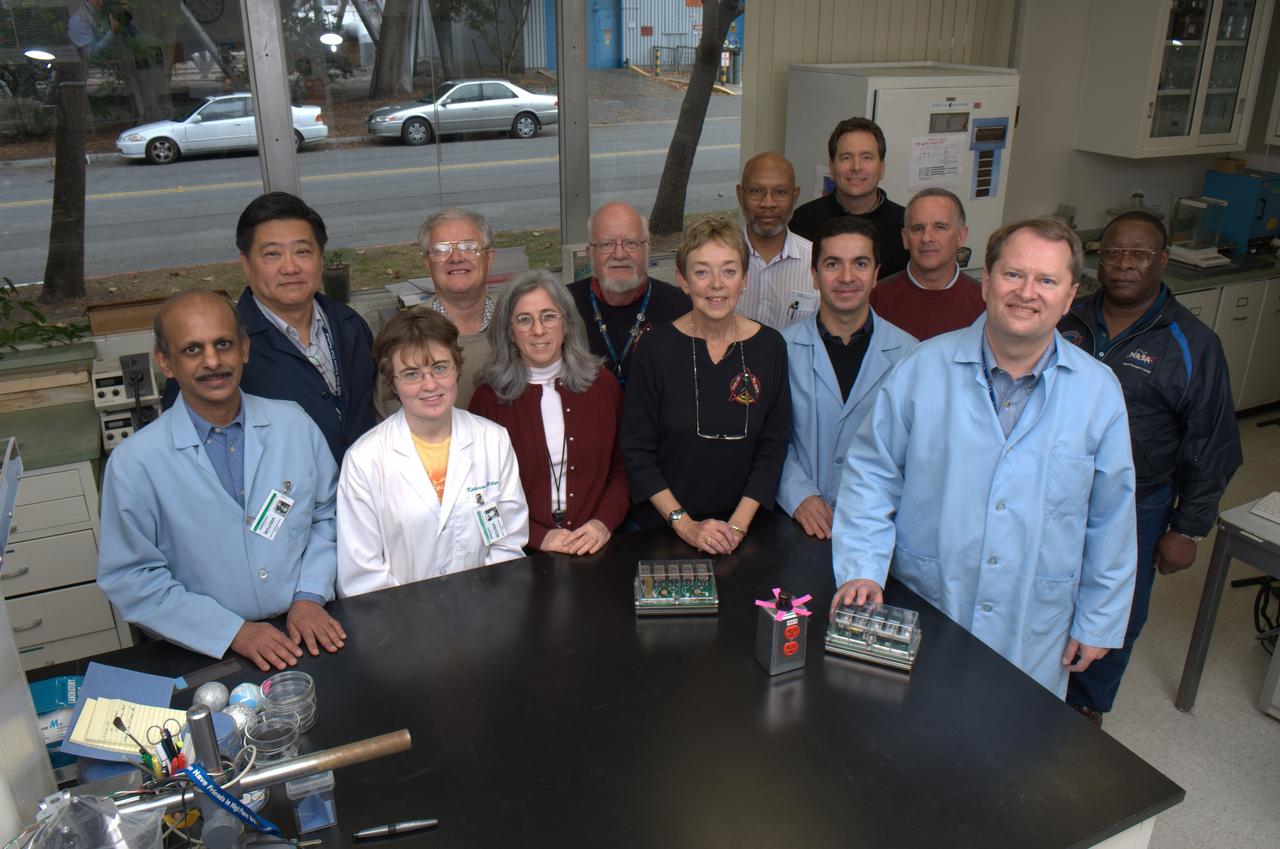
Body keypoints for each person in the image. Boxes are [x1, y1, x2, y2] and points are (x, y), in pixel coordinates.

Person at [830, 218, 1138, 698]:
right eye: (1013, 275)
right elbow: (872, 474)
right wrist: (863, 568)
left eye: (1047, 280)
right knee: (911, 738)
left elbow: (1112, 516)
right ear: (987, 282)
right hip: (930, 600)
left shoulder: (1098, 392)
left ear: (1070, 294)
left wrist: (1098, 617)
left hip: (1034, 621)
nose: (1027, 292)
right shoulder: (922, 368)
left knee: (1015, 746)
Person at [1058, 209, 1242, 724]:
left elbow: (1212, 444)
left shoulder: (1192, 343)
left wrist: (1188, 528)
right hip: (1056, 489)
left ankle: (1086, 707)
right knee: (1048, 589)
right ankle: (1035, 685)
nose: (1122, 265)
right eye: (1112, 253)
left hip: (1137, 503)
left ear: (1162, 260)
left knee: (1117, 606)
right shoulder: (1068, 319)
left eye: (1138, 254)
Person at [99, 291, 345, 672]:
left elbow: (327, 514)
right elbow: (132, 576)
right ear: (165, 362)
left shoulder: (292, 424)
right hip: (204, 647)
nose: (212, 361)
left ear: (244, 349)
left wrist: (310, 594)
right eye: (192, 350)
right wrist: (234, 632)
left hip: (305, 626)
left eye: (223, 344)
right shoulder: (135, 463)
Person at [160, 192, 378, 464]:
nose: (290, 267)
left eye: (302, 251)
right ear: (246, 264)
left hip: (366, 493)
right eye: (272, 254)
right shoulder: (222, 347)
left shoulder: (350, 325)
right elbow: (184, 447)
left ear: (320, 259)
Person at [621, 218, 792, 552]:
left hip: (746, 532)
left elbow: (773, 448)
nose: (716, 284)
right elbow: (636, 450)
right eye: (702, 272)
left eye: (728, 271)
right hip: (664, 529)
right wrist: (686, 526)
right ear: (683, 281)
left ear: (744, 279)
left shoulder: (770, 347)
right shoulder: (655, 349)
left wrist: (736, 528)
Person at [336, 310, 528, 597]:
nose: (429, 385)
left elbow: (507, 543)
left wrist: (486, 608)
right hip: (402, 623)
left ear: (457, 369)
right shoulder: (364, 460)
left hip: (486, 613)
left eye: (440, 367)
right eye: (412, 374)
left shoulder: (493, 440)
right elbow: (362, 574)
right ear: (393, 382)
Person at [470, 271, 629, 555]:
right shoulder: (487, 400)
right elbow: (477, 496)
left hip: (597, 544)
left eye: (549, 316)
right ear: (509, 331)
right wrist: (537, 537)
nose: (538, 330)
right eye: (524, 320)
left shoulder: (602, 384)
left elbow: (624, 467)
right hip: (517, 551)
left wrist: (603, 523)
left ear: (567, 324)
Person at [779, 217, 916, 540]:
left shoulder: (911, 355)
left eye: (860, 263)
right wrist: (799, 495)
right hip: (795, 522)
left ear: (875, 275)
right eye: (832, 264)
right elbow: (767, 442)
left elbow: (916, 451)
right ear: (814, 276)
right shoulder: (779, 350)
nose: (846, 277)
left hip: (878, 526)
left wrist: (876, 506)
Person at [568, 201, 691, 386]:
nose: (619, 254)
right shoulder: (561, 305)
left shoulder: (683, 309)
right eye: (606, 244)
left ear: (648, 249)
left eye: (631, 243)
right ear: (590, 253)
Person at [787, 117, 908, 277]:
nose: (856, 167)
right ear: (831, 168)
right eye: (846, 158)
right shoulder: (804, 219)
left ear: (882, 168)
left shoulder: (905, 223)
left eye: (866, 157)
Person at [871, 188, 986, 340]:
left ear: (960, 236)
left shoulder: (985, 302)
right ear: (905, 238)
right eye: (917, 228)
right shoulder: (875, 298)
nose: (926, 238)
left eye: (939, 227)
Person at [418, 208, 499, 408]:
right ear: (427, 263)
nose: (455, 258)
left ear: (489, 258)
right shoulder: (408, 334)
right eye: (441, 250)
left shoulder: (519, 324)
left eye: (469, 247)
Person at [734, 152, 814, 328]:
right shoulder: (717, 258)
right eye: (756, 191)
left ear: (795, 196)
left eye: (780, 192)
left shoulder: (817, 262)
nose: (768, 203)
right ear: (740, 195)